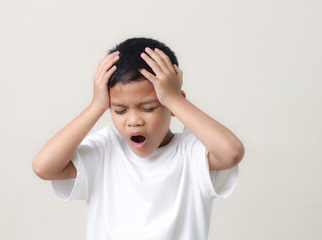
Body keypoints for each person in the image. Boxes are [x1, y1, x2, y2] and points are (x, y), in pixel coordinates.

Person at [32, 37, 245, 240]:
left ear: (173, 107)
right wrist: (96, 105)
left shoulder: (192, 153)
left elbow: (231, 152)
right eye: (120, 110)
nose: (133, 121)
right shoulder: (105, 150)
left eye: (148, 108)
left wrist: (173, 99)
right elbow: (44, 167)